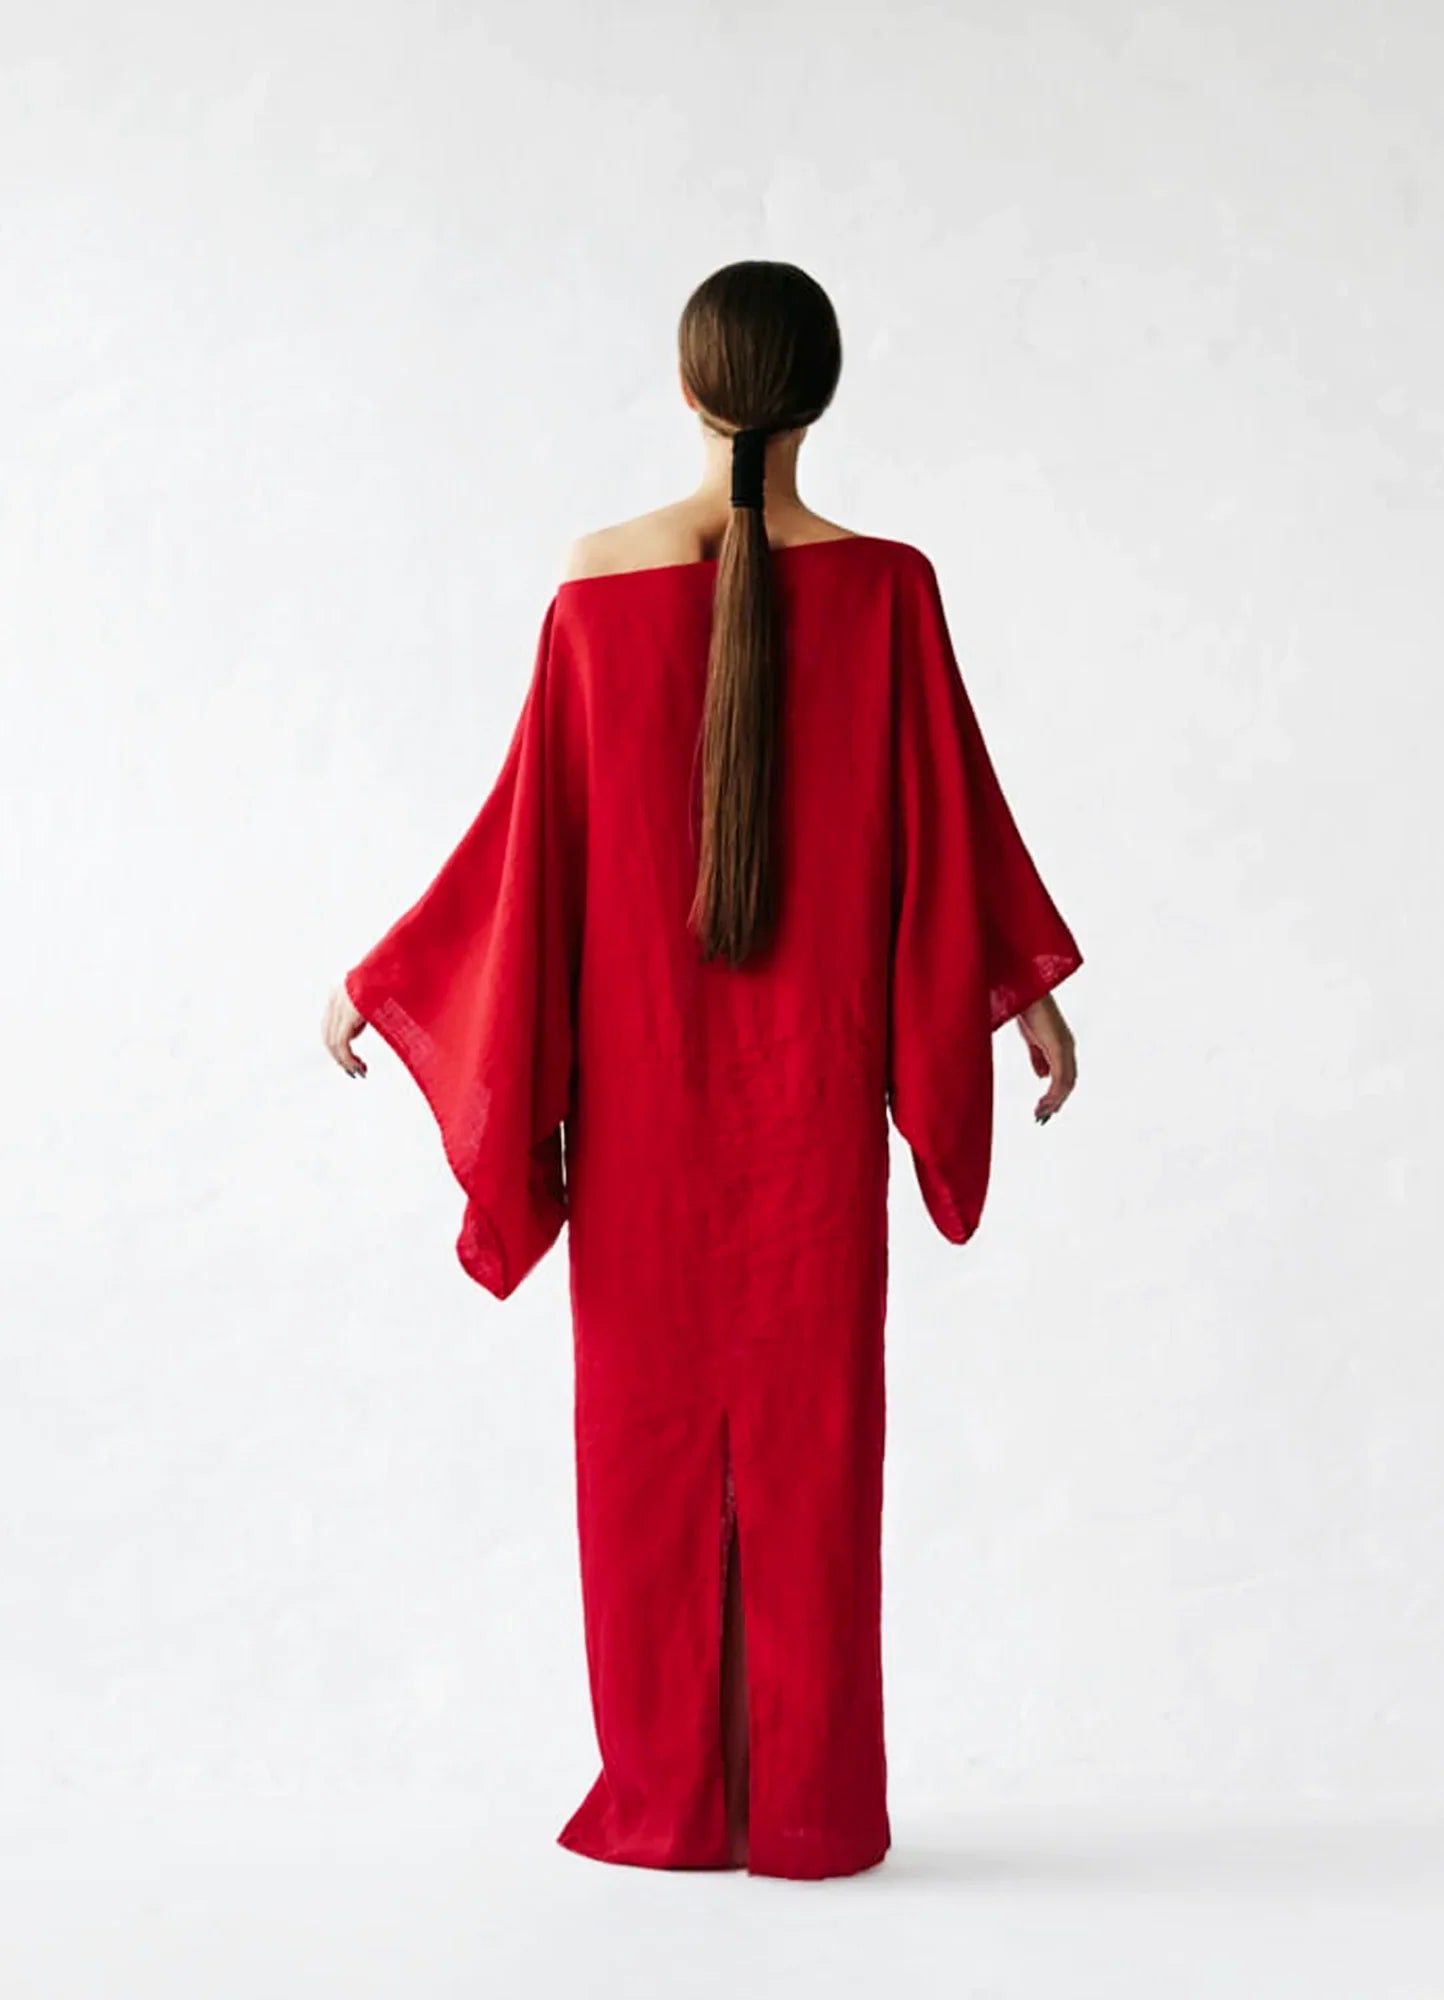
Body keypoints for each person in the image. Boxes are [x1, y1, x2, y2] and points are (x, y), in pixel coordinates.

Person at [321, 259, 1083, 1880]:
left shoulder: (597, 587)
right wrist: (1018, 996)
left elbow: (526, 853)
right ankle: (810, 1810)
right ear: (821, 395)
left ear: (688, 390)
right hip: (814, 1098)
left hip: (644, 1104)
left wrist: (393, 978)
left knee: (645, 1450)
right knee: (814, 1447)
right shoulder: (889, 591)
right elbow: (950, 839)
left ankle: (668, 1802)